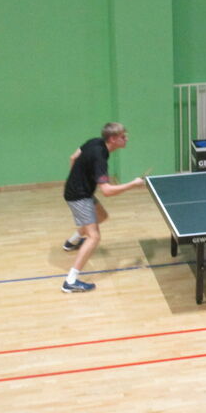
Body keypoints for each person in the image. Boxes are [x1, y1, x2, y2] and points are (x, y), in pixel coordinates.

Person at [61, 122, 144, 293]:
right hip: (79, 196)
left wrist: (77, 178)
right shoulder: (100, 158)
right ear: (113, 139)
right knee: (94, 237)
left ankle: (72, 242)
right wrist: (133, 184)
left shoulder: (94, 142)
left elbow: (73, 157)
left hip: (79, 190)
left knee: (101, 216)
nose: (126, 139)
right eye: (123, 137)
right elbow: (107, 191)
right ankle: (70, 281)